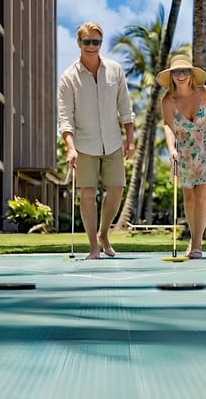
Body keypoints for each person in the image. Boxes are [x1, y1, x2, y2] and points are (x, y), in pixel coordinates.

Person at [58, 21, 135, 259]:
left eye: (96, 42)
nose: (91, 46)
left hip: (113, 142)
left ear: (101, 43)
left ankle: (104, 234)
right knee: (87, 194)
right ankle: (93, 246)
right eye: (87, 42)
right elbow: (65, 117)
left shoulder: (115, 70)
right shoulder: (68, 77)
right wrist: (71, 148)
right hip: (84, 145)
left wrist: (130, 140)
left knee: (117, 189)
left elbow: (125, 107)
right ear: (78, 42)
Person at [158, 54, 206, 259]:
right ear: (171, 76)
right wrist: (171, 149)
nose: (181, 75)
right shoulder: (167, 101)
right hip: (184, 151)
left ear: (191, 74)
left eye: (185, 71)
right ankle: (193, 237)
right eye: (177, 72)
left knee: (200, 195)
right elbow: (168, 126)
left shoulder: (204, 93)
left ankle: (197, 244)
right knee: (189, 198)